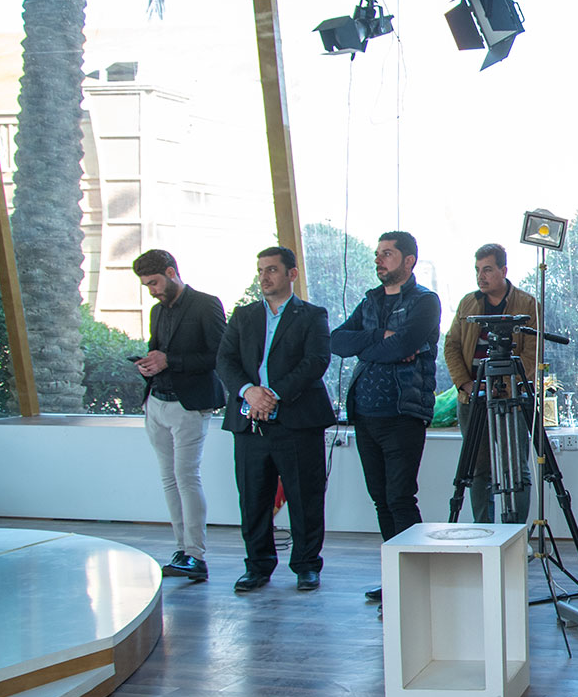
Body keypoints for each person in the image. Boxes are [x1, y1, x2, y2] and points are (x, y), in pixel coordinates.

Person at [216, 246, 335, 592]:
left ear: (291, 274)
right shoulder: (243, 315)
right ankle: (257, 566)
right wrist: (249, 392)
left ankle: (306, 566)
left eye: (271, 270)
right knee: (253, 498)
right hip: (249, 420)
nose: (264, 277)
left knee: (304, 497)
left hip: (297, 420)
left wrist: (273, 395)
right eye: (261, 270)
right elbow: (225, 361)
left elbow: (316, 361)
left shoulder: (312, 315)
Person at [332, 231, 442, 563]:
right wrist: (380, 336)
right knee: (380, 499)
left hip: (402, 414)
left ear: (409, 261)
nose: (378, 259)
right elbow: (337, 341)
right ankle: (396, 575)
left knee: (400, 498)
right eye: (378, 253)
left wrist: (368, 348)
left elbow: (403, 345)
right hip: (365, 415)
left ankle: (415, 575)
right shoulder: (370, 301)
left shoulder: (425, 301)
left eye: (387, 253)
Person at [132, 249, 227, 584]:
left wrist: (170, 361)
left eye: (154, 282)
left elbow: (220, 355)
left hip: (190, 405)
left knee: (186, 478)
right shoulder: (157, 311)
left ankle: (196, 556)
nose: (152, 290)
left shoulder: (206, 304)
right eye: (147, 285)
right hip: (156, 402)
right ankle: (181, 551)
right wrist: (148, 364)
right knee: (169, 479)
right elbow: (157, 349)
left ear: (171, 272)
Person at [441, 243, 540, 526]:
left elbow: (533, 352)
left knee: (516, 469)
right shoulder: (468, 304)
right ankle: (484, 533)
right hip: (472, 399)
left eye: (487, 269)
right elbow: (451, 346)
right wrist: (466, 384)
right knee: (478, 470)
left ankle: (515, 536)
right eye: (477, 270)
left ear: (503, 270)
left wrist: (505, 387)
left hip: (512, 399)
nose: (480, 276)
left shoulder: (527, 304)